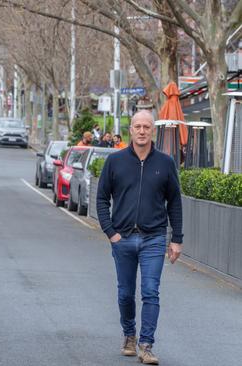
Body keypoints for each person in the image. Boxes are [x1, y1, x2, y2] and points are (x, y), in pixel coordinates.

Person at [96, 110, 183, 365]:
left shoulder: (166, 163)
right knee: (125, 293)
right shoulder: (116, 161)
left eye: (147, 126)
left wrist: (176, 238)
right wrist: (111, 233)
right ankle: (129, 335)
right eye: (138, 126)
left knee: (150, 292)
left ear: (152, 130)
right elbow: (102, 198)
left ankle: (146, 345)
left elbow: (175, 203)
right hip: (122, 239)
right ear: (130, 130)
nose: (142, 131)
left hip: (154, 238)